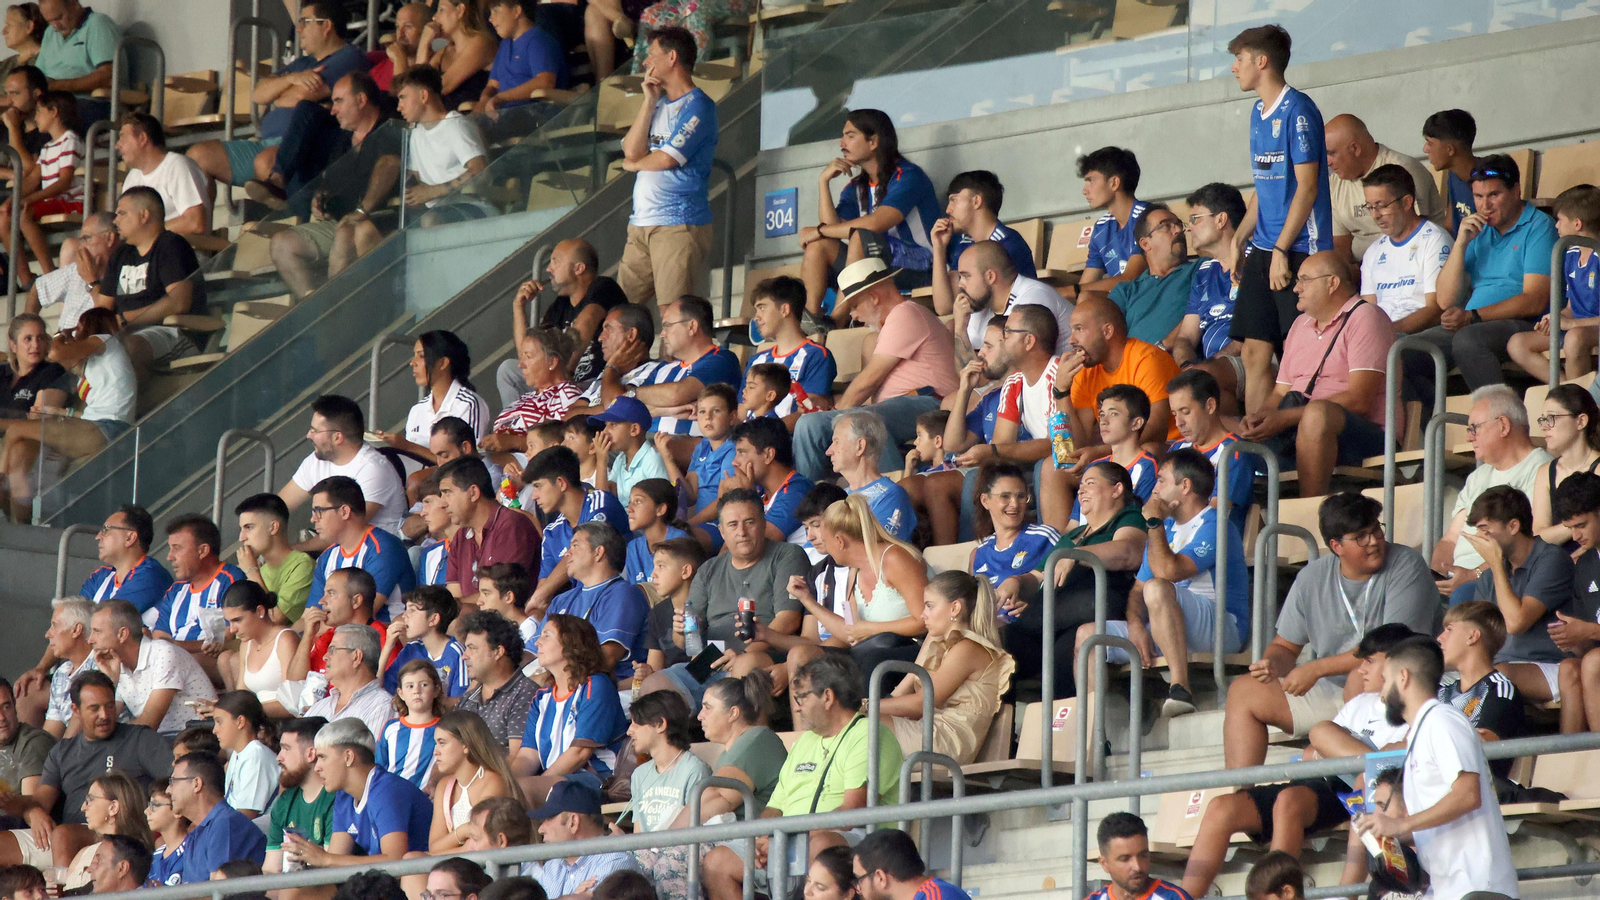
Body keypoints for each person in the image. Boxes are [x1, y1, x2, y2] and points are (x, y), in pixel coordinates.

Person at [1181, 624, 1415, 898]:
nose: (1361, 669)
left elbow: (1388, 756)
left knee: (1293, 796)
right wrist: (1331, 750)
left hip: (1353, 789)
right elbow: (1312, 752)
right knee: (1222, 807)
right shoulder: (1359, 703)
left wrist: (1332, 751)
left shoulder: (1412, 709)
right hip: (1321, 781)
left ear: (1396, 664)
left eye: (1370, 662)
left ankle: (1283, 893)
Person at [1223, 492, 1439, 768]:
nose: (1374, 541)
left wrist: (1314, 669)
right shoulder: (1312, 577)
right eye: (1361, 536)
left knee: (1358, 676)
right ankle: (1242, 797)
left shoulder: (1407, 564)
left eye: (1376, 530)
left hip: (1388, 687)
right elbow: (1285, 647)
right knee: (1244, 690)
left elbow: (1394, 648)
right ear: (1336, 545)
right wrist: (1272, 664)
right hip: (1330, 691)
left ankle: (1371, 778)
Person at [701, 654, 901, 900]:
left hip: (854, 840)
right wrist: (763, 837)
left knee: (820, 846)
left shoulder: (868, 734)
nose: (795, 707)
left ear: (827, 697)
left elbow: (853, 812)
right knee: (716, 860)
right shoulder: (805, 741)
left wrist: (795, 834)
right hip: (791, 838)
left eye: (801, 698)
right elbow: (775, 807)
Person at [1356, 636, 1519, 900]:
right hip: (1449, 888)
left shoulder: (1442, 721)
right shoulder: (1423, 730)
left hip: (1476, 887)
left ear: (1403, 677)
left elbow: (1468, 794)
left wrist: (1400, 825)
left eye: (1385, 681)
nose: (1382, 694)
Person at [1225, 24, 1333, 415]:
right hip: (1266, 246)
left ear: (1261, 61)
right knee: (1254, 349)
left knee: (1299, 347)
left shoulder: (1299, 110)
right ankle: (1257, 442)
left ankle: (1295, 438)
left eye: (1239, 60)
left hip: (1301, 246)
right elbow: (1264, 182)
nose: (1234, 68)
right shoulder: (1257, 111)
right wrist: (1240, 239)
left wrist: (1283, 250)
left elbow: (1306, 188)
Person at [1091, 449, 1248, 715]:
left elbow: (1169, 571)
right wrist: (1135, 624)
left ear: (1184, 486)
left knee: (1158, 587)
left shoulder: (1216, 523)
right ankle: (1094, 735)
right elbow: (1138, 589)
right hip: (1168, 622)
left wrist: (1153, 522)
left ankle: (1180, 688)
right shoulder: (1168, 528)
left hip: (1222, 627)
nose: (1155, 488)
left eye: (1162, 480)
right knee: (1089, 637)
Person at [1237, 252, 1395, 497]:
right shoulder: (1300, 325)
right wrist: (1261, 418)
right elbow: (1280, 392)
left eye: (1304, 279)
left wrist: (1287, 418)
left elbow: (1360, 400)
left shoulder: (1366, 317)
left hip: (1364, 435)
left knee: (1317, 414)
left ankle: (1308, 509)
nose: (1296, 288)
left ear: (1331, 283)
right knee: (1214, 421)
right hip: (1298, 428)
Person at [794, 259, 958, 481]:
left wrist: (835, 413)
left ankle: (893, 495)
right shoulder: (894, 322)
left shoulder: (906, 312)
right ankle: (815, 506)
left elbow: (869, 381)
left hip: (930, 404)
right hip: (898, 408)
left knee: (860, 423)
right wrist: (831, 410)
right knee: (808, 424)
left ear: (874, 297)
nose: (852, 315)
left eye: (854, 305)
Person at [1408, 153, 1560, 390]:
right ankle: (1433, 425)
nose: (1485, 206)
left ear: (1516, 190)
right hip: (1471, 324)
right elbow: (1446, 300)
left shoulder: (1539, 226)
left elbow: (1534, 300)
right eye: (1478, 196)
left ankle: (1499, 417)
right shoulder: (1478, 230)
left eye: (1494, 195)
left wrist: (1473, 316)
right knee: (1403, 351)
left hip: (1524, 324)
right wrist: (1460, 243)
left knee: (1468, 340)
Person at [998, 460, 1147, 695]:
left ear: (1117, 490)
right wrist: (1016, 581)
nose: (1081, 490)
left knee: (1019, 627)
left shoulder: (1129, 517)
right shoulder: (1073, 534)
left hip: (1101, 601)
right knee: (1006, 658)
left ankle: (1027, 619)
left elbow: (1128, 552)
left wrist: (1077, 555)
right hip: (1061, 618)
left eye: (1090, 483)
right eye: (1080, 485)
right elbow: (1038, 576)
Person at [187, 1, 370, 191]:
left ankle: (283, 214)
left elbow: (298, 98)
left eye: (305, 22)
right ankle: (198, 221)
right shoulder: (302, 64)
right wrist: (292, 78)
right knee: (198, 155)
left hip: (301, 146)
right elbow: (258, 94)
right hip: (265, 141)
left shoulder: (348, 57)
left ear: (326, 26)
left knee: (265, 162)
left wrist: (278, 93)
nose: (299, 29)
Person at [0, 672, 165, 871]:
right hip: (66, 838)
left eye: (110, 706)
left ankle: (67, 891)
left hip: (121, 834)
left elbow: (175, 783)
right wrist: (15, 804)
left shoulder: (139, 739)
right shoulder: (62, 751)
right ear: (75, 710)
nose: (104, 715)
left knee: (63, 835)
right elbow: (40, 801)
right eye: (94, 708)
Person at [266, 72, 402, 300]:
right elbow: (329, 184)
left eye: (339, 101)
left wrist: (362, 210)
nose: (333, 110)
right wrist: (320, 200)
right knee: (281, 244)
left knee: (344, 235)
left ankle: (333, 308)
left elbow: (390, 164)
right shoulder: (340, 140)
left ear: (361, 100)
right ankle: (314, 304)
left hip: (381, 219)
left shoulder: (390, 126)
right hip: (340, 220)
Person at [800, 110, 938, 320]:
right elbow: (832, 229)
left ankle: (836, 321)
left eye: (850, 135)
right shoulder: (856, 186)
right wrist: (823, 182)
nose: (841, 143)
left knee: (859, 237)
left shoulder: (908, 176)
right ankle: (811, 319)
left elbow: (875, 224)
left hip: (923, 269)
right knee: (819, 245)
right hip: (880, 263)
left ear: (873, 141)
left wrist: (818, 230)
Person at [617, 26, 717, 309]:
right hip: (640, 225)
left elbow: (667, 158)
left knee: (672, 311)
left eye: (651, 55)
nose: (646, 62)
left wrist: (634, 166)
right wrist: (649, 102)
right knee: (620, 314)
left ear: (672, 57)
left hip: (677, 224)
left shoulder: (700, 107)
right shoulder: (658, 104)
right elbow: (631, 150)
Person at [0, 309, 129, 520]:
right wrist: (62, 412)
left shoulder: (105, 340)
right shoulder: (93, 364)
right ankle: (18, 522)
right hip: (91, 425)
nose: (74, 334)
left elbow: (57, 355)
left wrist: (59, 338)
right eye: (29, 338)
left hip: (110, 428)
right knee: (20, 452)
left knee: (16, 433)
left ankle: (3, 485)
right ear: (13, 344)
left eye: (77, 328)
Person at [1432, 384, 1552, 604]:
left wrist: (1473, 575)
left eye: (1474, 428)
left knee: (1462, 597)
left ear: (1504, 425)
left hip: (1502, 579)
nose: (1469, 437)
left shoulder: (1541, 470)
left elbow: (1526, 544)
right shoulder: (1478, 476)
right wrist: (1438, 575)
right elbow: (1450, 539)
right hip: (1458, 582)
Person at [877, 571, 1012, 764]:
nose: (923, 614)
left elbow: (920, 704)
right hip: (931, 732)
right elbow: (905, 699)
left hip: (947, 742)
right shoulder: (949, 646)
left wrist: (862, 705)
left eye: (930, 606)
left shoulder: (968, 649)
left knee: (860, 724)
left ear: (955, 608)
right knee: (848, 724)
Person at [1460, 487, 1575, 710]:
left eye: (1485, 530)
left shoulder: (1552, 559)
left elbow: (1516, 623)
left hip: (1552, 665)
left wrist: (1494, 564)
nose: (1480, 539)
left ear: (1513, 526)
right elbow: (1479, 633)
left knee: (1495, 677)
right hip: (1500, 666)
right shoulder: (1489, 576)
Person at [91, 186, 207, 375]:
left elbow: (179, 303)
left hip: (171, 332)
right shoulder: (121, 254)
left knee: (126, 350)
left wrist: (125, 319)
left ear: (144, 216)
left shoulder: (171, 245)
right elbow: (102, 309)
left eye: (122, 213)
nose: (115, 220)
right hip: (127, 335)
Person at [513, 615, 629, 803]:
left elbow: (580, 753)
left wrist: (539, 784)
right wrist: (503, 783)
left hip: (598, 779)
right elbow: (527, 756)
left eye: (546, 635)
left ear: (572, 644)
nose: (538, 643)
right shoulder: (542, 697)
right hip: (557, 778)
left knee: (524, 791)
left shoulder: (596, 685)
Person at [284, 718, 430, 866]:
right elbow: (335, 862)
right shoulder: (344, 795)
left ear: (348, 757)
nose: (317, 767)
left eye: (323, 757)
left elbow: (396, 862)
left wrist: (325, 858)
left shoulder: (387, 791)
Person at [500, 239, 627, 404]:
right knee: (508, 370)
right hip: (561, 384)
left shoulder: (604, 287)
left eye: (555, 261)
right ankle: (514, 424)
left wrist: (564, 374)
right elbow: (527, 354)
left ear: (578, 268)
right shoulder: (560, 305)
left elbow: (587, 320)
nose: (548, 269)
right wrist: (518, 306)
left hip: (595, 383)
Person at [601, 295, 741, 439]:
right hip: (649, 446)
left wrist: (632, 393)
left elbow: (677, 394)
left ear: (692, 326)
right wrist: (667, 410)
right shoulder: (663, 368)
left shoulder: (721, 359)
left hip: (689, 450)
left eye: (667, 325)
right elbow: (618, 408)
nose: (662, 334)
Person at [1061, 297, 1180, 464]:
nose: (1071, 340)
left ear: (1107, 331)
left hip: (1171, 448)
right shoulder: (1086, 370)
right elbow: (1079, 443)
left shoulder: (1147, 359)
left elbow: (1156, 430)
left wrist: (1100, 452)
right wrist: (1061, 391)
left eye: (1079, 329)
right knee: (1052, 469)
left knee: (1146, 451)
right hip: (1113, 453)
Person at [279, 394, 408, 543]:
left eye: (315, 430)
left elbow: (344, 530)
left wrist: (291, 553)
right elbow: (279, 507)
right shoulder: (316, 461)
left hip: (375, 555)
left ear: (337, 438)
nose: (308, 435)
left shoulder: (372, 469)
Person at [621, 691, 711, 900]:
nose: (629, 731)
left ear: (660, 724)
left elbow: (695, 830)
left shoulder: (694, 769)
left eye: (636, 723)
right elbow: (639, 833)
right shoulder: (639, 774)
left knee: (664, 868)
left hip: (678, 851)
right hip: (649, 853)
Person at [1324, 113, 1447, 262]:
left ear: (1355, 149)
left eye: (1331, 153)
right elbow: (1340, 245)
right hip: (1361, 270)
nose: (1328, 162)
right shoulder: (1335, 183)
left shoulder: (1403, 170)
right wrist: (1340, 272)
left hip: (1412, 262)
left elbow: (1415, 234)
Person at [1509, 184, 1600, 383]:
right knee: (1517, 344)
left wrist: (1573, 324)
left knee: (1574, 338)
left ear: (1577, 224)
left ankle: (1579, 405)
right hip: (1577, 327)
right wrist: (1556, 319)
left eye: (1559, 220)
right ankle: (1566, 390)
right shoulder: (1569, 254)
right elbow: (1571, 307)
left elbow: (1577, 322)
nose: (1556, 226)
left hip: (1588, 330)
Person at [541, 522, 651, 681]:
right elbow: (534, 653)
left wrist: (555, 684)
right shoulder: (561, 600)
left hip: (610, 690)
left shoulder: (622, 594)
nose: (567, 553)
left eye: (575, 546)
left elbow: (607, 657)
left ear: (598, 552)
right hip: (563, 688)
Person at [90, 599, 215, 737]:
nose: (90, 640)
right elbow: (103, 720)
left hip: (195, 740)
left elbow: (149, 724)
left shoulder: (163, 652)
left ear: (122, 634)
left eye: (97, 632)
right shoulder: (115, 663)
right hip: (158, 742)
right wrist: (110, 682)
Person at [305, 476, 417, 623]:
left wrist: (311, 630)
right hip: (339, 639)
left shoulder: (383, 548)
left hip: (384, 639)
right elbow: (309, 616)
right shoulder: (327, 557)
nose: (313, 519)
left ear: (344, 511)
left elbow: (359, 616)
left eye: (319, 511)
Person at [390, 65, 492, 225]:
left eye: (403, 97)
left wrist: (433, 191)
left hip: (472, 208)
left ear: (424, 96)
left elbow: (481, 171)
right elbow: (415, 179)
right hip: (436, 211)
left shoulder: (455, 125)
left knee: (430, 220)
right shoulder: (416, 133)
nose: (399, 107)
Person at [1358, 164, 1453, 336]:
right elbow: (1369, 311)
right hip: (1382, 336)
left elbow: (1436, 309)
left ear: (1407, 202)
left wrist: (1386, 333)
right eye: (1370, 207)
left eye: (1382, 205)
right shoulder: (1373, 251)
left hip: (1419, 336)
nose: (1375, 215)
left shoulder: (1434, 240)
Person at [525, 447, 627, 607]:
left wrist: (539, 596)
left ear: (561, 483)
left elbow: (589, 544)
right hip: (580, 614)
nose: (534, 496)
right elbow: (543, 592)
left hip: (618, 602)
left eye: (538, 486)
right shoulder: (552, 533)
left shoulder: (601, 503)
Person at [938, 238, 1069, 358]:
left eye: (966, 276)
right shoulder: (982, 305)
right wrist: (960, 329)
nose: (960, 284)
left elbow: (1013, 370)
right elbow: (972, 375)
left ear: (990, 276)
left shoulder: (1031, 299)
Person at [1090, 204, 1199, 347]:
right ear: (1145, 243)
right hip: (1133, 366)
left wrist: (1162, 348)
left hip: (1180, 361)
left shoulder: (1200, 269)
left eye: (1179, 225)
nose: (1179, 230)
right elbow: (1105, 337)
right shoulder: (1126, 291)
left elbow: (1204, 312)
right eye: (1166, 226)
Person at [283, 567, 388, 714]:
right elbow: (295, 683)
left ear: (356, 601)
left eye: (331, 593)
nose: (321, 601)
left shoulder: (381, 639)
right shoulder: (329, 637)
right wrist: (308, 636)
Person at [1166, 185, 1246, 377]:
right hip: (1209, 371)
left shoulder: (1257, 260)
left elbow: (1251, 336)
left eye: (1195, 219)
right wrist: (1187, 366)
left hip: (1249, 362)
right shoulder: (1204, 271)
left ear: (1220, 219)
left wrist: (1207, 369)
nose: (1188, 227)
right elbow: (1185, 337)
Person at [1437, 602, 1526, 772]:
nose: (1440, 638)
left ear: (1473, 636)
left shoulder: (1500, 690)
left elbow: (1483, 743)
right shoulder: (1441, 692)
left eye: (1449, 629)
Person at [441, 455, 540, 606]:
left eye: (447, 492)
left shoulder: (511, 525)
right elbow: (455, 595)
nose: (443, 503)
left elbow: (500, 597)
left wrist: (455, 608)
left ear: (473, 493)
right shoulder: (460, 537)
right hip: (475, 624)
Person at [1165, 369, 1255, 532]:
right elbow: (1157, 500)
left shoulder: (1234, 452)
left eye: (1185, 412)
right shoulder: (1177, 448)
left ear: (1210, 406)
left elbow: (1213, 514)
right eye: (1174, 414)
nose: (1178, 422)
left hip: (1209, 545)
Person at [0, 89, 76, 278]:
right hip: (52, 201)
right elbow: (33, 179)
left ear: (54, 112)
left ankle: (50, 274)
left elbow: (65, 182)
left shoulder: (70, 140)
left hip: (70, 200)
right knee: (6, 216)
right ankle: (26, 280)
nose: (36, 116)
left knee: (24, 214)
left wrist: (29, 200)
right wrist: (12, 200)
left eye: (40, 111)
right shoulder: (48, 147)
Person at [162, 749, 269, 882]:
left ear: (196, 784)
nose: (168, 790)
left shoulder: (226, 823)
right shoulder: (196, 834)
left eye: (173, 781)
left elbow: (218, 891)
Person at [743, 276, 837, 424]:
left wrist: (768, 432)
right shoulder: (756, 360)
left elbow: (807, 413)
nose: (756, 317)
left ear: (784, 309)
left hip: (785, 442)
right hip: (749, 440)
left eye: (762, 308)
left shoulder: (816, 355)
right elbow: (741, 410)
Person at [427, 711, 525, 853]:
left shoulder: (493, 781)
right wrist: (463, 830)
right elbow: (434, 846)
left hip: (485, 867)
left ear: (465, 745)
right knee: (410, 858)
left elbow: (481, 844)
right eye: (436, 743)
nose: (435, 751)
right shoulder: (444, 786)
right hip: (454, 863)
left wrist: (441, 851)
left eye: (442, 743)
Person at [522, 778, 635, 895]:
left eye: (549, 818)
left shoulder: (616, 861)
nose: (540, 830)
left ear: (573, 822)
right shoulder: (552, 867)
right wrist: (574, 897)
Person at [696, 672, 787, 815]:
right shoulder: (729, 752)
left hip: (757, 836)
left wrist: (669, 836)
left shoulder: (757, 740)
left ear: (733, 713)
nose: (699, 716)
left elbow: (715, 800)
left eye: (707, 707)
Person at [715, 416, 813, 545]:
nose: (734, 462)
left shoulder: (796, 491)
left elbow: (751, 546)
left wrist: (745, 498)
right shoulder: (762, 494)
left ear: (768, 455)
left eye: (742, 452)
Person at [1067, 386, 1158, 524]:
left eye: (1114, 414)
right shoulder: (1094, 467)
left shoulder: (1149, 467)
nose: (1103, 421)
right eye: (1102, 415)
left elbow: (1138, 523)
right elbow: (1074, 524)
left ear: (1136, 423)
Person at [455, 610, 540, 753]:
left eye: (472, 648)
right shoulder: (466, 700)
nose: (464, 656)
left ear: (498, 652)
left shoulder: (525, 693)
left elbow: (518, 758)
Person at [1554, 473, 1600, 732]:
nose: (1575, 536)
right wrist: (1572, 638)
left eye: (1581, 525)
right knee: (1569, 667)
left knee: (1594, 662)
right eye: (1570, 527)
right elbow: (1589, 646)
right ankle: (1567, 761)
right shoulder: (1585, 565)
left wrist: (1589, 631)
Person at [262, 716, 337, 876]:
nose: (279, 757)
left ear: (311, 754)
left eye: (286, 749)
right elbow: (271, 869)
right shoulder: (284, 801)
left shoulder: (335, 798)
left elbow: (332, 871)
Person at [114, 114, 210, 237]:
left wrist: (147, 232)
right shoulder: (132, 177)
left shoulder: (177, 166)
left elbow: (195, 222)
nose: (117, 145)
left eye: (123, 137)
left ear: (142, 138)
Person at [826, 412, 918, 541]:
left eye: (836, 441)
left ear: (860, 446)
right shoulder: (838, 497)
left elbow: (877, 547)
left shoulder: (890, 495)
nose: (829, 451)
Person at [971, 462, 1060, 591]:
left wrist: (1032, 599)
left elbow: (1065, 583)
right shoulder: (979, 553)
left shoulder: (1044, 537)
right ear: (985, 501)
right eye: (1005, 496)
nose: (1015, 504)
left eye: (1021, 496)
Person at [487, 327, 580, 449]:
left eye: (528, 356)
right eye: (521, 357)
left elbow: (562, 444)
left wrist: (516, 442)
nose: (521, 364)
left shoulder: (567, 396)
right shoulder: (527, 397)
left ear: (552, 362)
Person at [72, 504, 170, 618]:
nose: (98, 537)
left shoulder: (151, 576)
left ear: (130, 538)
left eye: (106, 530)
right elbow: (75, 617)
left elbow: (109, 620)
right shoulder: (100, 577)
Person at [302, 624, 396, 742]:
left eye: (332, 650)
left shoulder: (382, 707)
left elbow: (369, 758)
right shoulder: (319, 707)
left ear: (356, 657)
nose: (325, 657)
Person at [25, 212, 117, 333]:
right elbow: (38, 288)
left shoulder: (125, 274)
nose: (81, 247)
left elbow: (104, 312)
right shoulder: (75, 270)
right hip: (63, 346)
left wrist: (91, 281)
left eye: (86, 239)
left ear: (109, 238)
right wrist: (29, 329)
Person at [231, 494, 312, 626]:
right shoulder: (260, 571)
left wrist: (251, 571)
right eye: (241, 529)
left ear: (273, 527)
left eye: (249, 527)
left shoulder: (302, 565)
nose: (242, 537)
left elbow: (274, 618)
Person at [476, 0, 567, 112]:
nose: (491, 18)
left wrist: (500, 98)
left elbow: (545, 81)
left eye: (495, 11)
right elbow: (493, 85)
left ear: (516, 11)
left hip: (534, 116)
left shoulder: (538, 40)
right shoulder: (504, 45)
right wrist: (484, 99)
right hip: (504, 116)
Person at [34, 0, 116, 122]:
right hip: (52, 103)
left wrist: (57, 85)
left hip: (90, 102)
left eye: (59, 18)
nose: (56, 26)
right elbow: (37, 75)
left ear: (74, 4)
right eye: (50, 21)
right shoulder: (50, 33)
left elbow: (108, 76)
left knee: (51, 120)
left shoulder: (97, 24)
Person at [219, 580, 300, 703]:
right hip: (258, 717)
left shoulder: (286, 640)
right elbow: (242, 695)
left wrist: (248, 712)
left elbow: (291, 702)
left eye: (238, 620)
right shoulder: (246, 644)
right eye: (229, 622)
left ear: (260, 611)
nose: (232, 629)